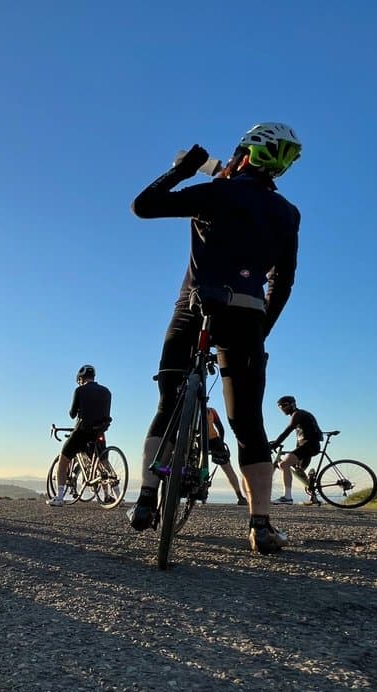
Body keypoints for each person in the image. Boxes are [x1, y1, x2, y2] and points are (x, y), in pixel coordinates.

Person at [126, 122, 302, 555]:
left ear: (243, 154)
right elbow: (283, 282)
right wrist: (263, 327)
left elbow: (143, 207)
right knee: (247, 423)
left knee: (168, 402)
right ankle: (261, 525)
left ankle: (146, 500)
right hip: (247, 315)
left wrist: (184, 169)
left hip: (194, 308)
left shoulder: (217, 193)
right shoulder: (287, 213)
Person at [47, 365, 113, 507]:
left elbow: (72, 414)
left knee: (63, 459)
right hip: (99, 431)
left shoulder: (80, 390)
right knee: (102, 462)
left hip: (83, 431)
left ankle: (59, 497)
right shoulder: (106, 392)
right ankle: (111, 495)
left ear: (80, 379)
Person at [269, 395, 323, 504]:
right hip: (308, 446)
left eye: (285, 405)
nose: (283, 408)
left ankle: (287, 497)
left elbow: (288, 430)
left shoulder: (298, 414)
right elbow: (300, 438)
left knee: (284, 464)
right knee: (298, 470)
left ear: (293, 404)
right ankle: (313, 494)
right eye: (280, 407)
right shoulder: (300, 415)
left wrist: (276, 443)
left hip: (310, 445)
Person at [207, 407, 248, 505]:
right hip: (213, 440)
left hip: (194, 439)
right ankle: (240, 497)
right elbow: (220, 428)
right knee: (228, 468)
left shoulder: (187, 408)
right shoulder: (211, 411)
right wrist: (221, 442)